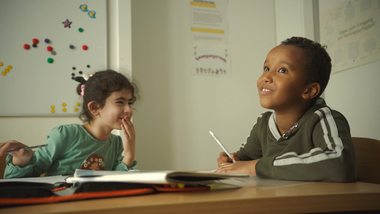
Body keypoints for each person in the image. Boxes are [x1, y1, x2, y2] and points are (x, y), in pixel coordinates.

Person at [216, 37, 357, 182]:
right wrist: (232, 161)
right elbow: (247, 159)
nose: (266, 77)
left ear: (309, 90)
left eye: (282, 70)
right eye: (266, 68)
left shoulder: (322, 119)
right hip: (276, 201)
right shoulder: (264, 125)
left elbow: (339, 163)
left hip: (315, 203)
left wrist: (255, 167)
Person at [0, 70, 138, 178]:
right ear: (94, 108)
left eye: (130, 103)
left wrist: (129, 154)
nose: (129, 110)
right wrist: (23, 160)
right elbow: (14, 180)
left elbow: (116, 183)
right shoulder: (65, 135)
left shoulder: (116, 143)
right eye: (120, 102)